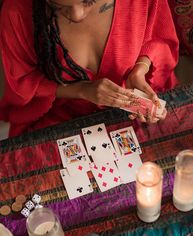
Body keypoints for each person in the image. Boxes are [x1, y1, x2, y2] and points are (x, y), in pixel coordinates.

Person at [0, 0, 179, 137]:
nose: (77, 15)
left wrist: (140, 69)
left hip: (128, 109)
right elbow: (25, 81)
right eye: (56, 5)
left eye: (89, 1)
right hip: (60, 114)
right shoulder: (17, 13)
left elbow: (158, 36)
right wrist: (81, 90)